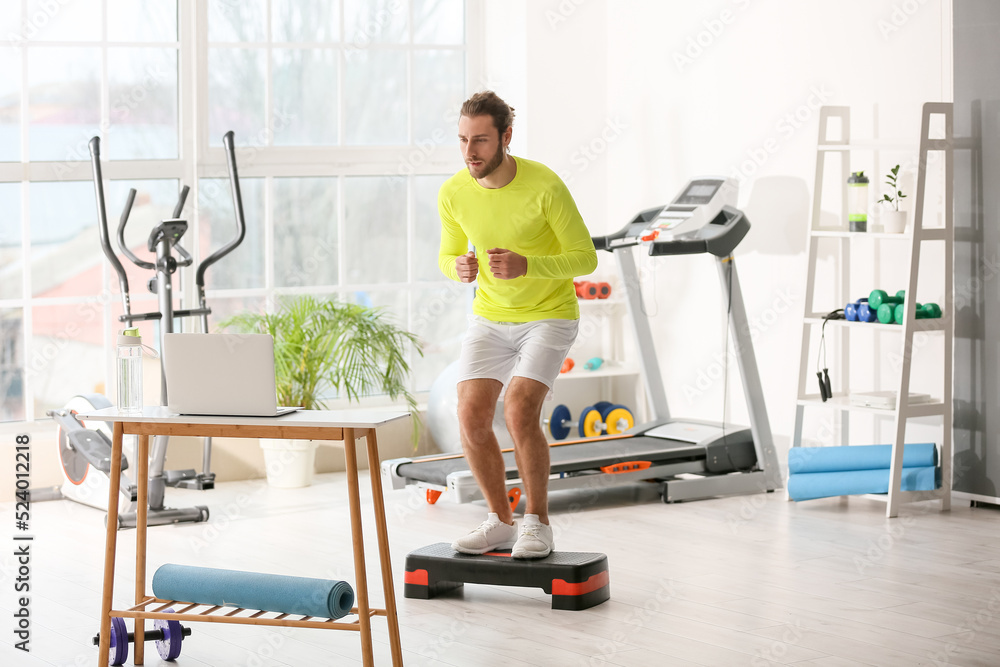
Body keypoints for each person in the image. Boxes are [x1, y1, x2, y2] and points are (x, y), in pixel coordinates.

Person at [437, 91, 598, 559]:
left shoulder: (544, 186)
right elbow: (448, 255)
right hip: (489, 316)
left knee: (520, 408)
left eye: (482, 141)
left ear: (506, 137)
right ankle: (499, 521)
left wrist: (528, 266)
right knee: (468, 412)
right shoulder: (453, 193)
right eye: (464, 140)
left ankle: (537, 524)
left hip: (548, 315)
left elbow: (584, 258)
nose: (470, 152)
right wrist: (457, 270)